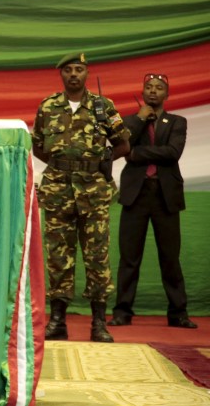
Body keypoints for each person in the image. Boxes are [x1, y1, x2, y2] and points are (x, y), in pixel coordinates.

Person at [32, 52, 130, 343]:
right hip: (58, 190)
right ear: (61, 74)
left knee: (97, 257)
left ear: (87, 73)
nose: (74, 75)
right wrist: (63, 163)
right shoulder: (48, 106)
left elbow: (124, 143)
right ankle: (58, 320)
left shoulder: (103, 106)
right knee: (58, 257)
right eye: (68, 70)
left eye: (79, 69)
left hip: (93, 191)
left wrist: (101, 159)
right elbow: (38, 145)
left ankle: (99, 323)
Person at [108, 74, 197, 329]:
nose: (153, 91)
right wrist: (139, 119)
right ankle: (123, 311)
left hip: (165, 195)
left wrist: (137, 153)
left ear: (166, 94)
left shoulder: (177, 122)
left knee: (170, 258)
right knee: (129, 258)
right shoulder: (129, 121)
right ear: (143, 92)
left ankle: (178, 313)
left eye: (159, 88)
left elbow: (172, 153)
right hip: (135, 195)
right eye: (149, 87)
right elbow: (123, 147)